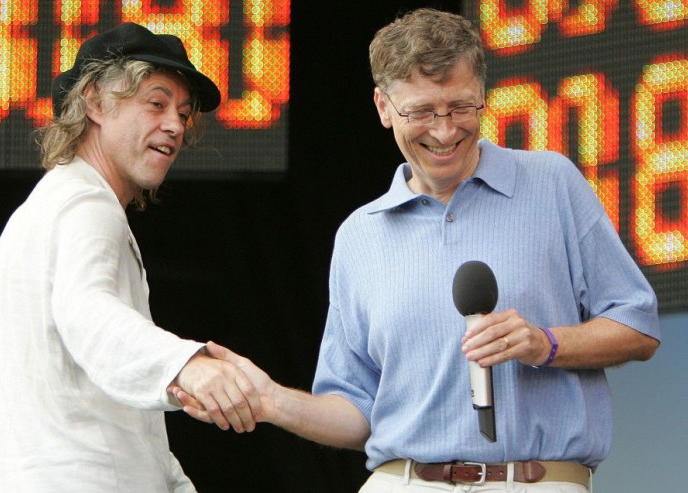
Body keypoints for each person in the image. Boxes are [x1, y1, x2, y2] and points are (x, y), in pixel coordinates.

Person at [174, 8, 661, 493]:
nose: (445, 130)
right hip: (402, 482)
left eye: (461, 107)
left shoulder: (551, 184)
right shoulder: (359, 236)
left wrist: (546, 344)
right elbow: (358, 411)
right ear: (384, 108)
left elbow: (637, 326)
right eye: (422, 112)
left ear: (483, 96)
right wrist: (270, 401)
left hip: (534, 480)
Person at [0, 23, 261, 492]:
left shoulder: (54, 204)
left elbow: (110, 410)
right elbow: (89, 315)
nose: (174, 124)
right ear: (94, 101)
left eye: (183, 113)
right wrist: (185, 363)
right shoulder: (85, 206)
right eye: (156, 102)